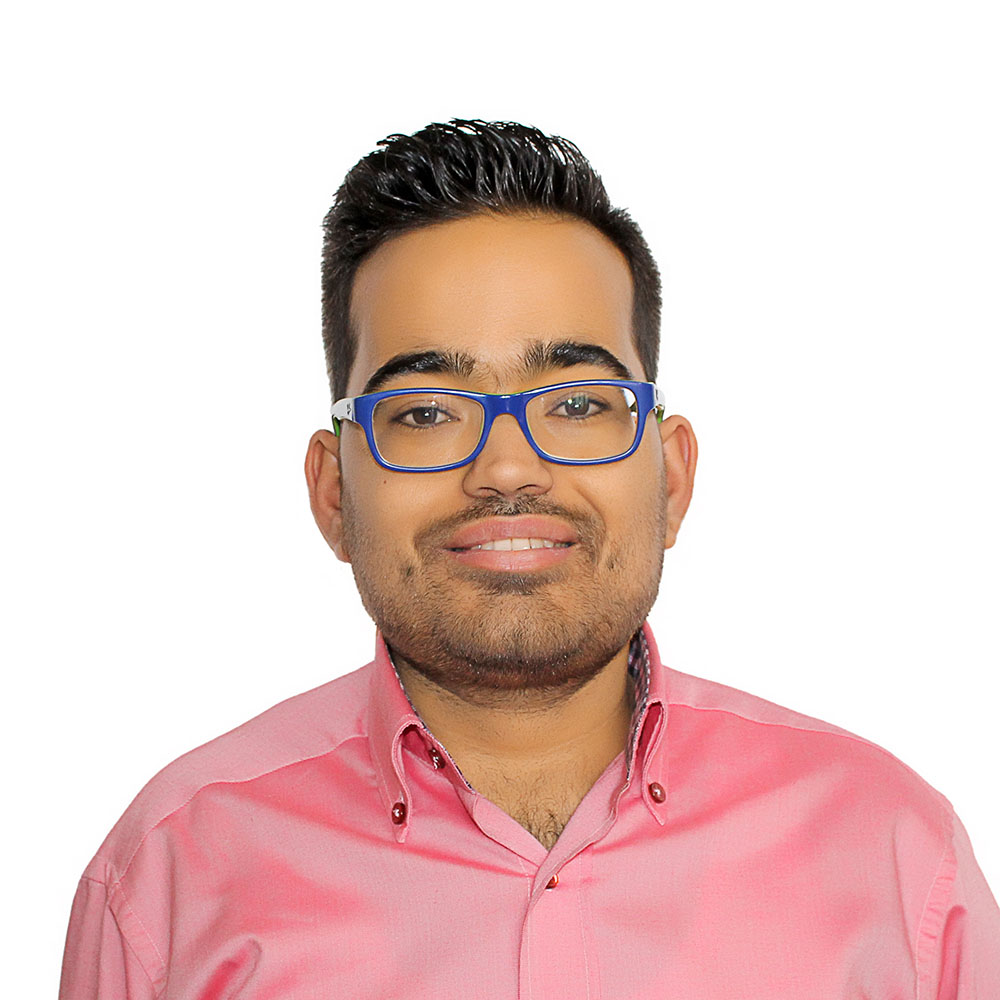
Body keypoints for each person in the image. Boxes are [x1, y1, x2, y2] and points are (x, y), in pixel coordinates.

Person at [59, 119, 999, 999]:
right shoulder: (168, 882)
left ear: (672, 478)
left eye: (579, 404)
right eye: (425, 412)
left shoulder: (896, 859)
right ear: (334, 493)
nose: (507, 468)